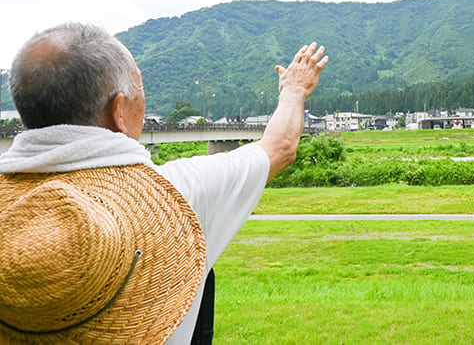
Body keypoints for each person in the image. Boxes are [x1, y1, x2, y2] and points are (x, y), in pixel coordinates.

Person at [0, 23, 328, 344]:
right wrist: (295, 90)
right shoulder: (177, 194)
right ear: (119, 111)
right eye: (139, 90)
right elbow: (280, 146)